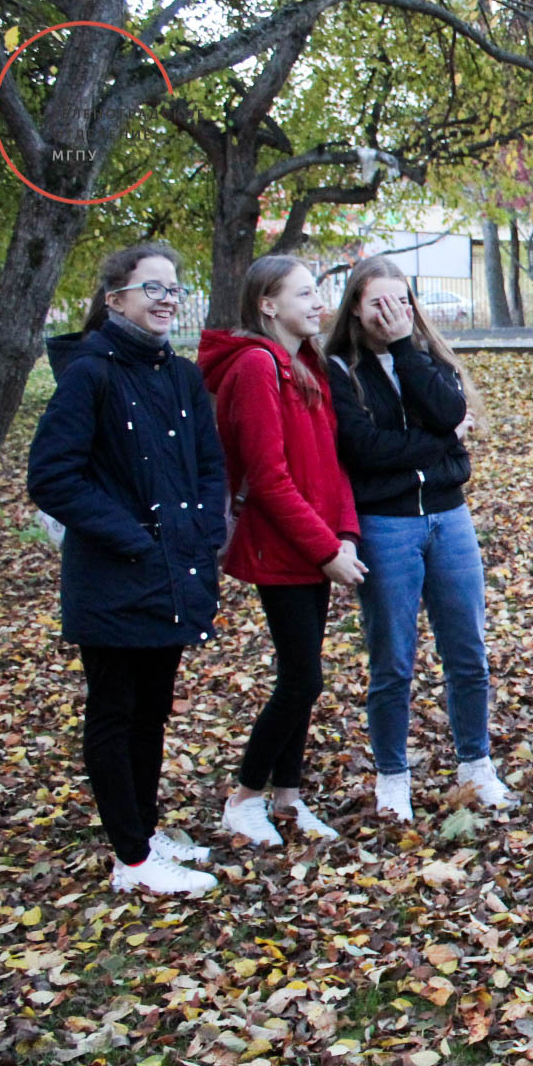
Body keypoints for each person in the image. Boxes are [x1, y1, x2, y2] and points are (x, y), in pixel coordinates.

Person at [27, 244, 225, 895]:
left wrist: (203, 532)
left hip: (172, 573)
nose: (167, 299)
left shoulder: (182, 376)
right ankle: (132, 860)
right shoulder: (90, 373)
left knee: (152, 709)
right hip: (114, 579)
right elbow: (51, 476)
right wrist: (130, 536)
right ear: (115, 300)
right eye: (153, 288)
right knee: (115, 710)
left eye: (174, 288)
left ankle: (144, 829)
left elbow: (208, 465)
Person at [322, 257, 513, 821]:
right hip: (386, 523)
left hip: (449, 516)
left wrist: (407, 347)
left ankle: (475, 764)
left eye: (402, 301)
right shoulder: (341, 370)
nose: (393, 312)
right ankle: (392, 776)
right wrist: (443, 441)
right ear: (356, 307)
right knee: (393, 659)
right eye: (379, 303)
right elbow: (364, 450)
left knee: (468, 652)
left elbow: (449, 410)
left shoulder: (429, 358)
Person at [201, 255, 363, 846]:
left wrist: (345, 533)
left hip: (314, 546)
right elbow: (267, 477)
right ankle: (245, 798)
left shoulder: (304, 365)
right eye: (304, 294)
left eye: (317, 292)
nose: (319, 303)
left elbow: (331, 464)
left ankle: (288, 798)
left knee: (304, 675)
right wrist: (324, 550)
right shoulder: (255, 366)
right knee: (302, 679)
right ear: (267, 305)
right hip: (283, 548)